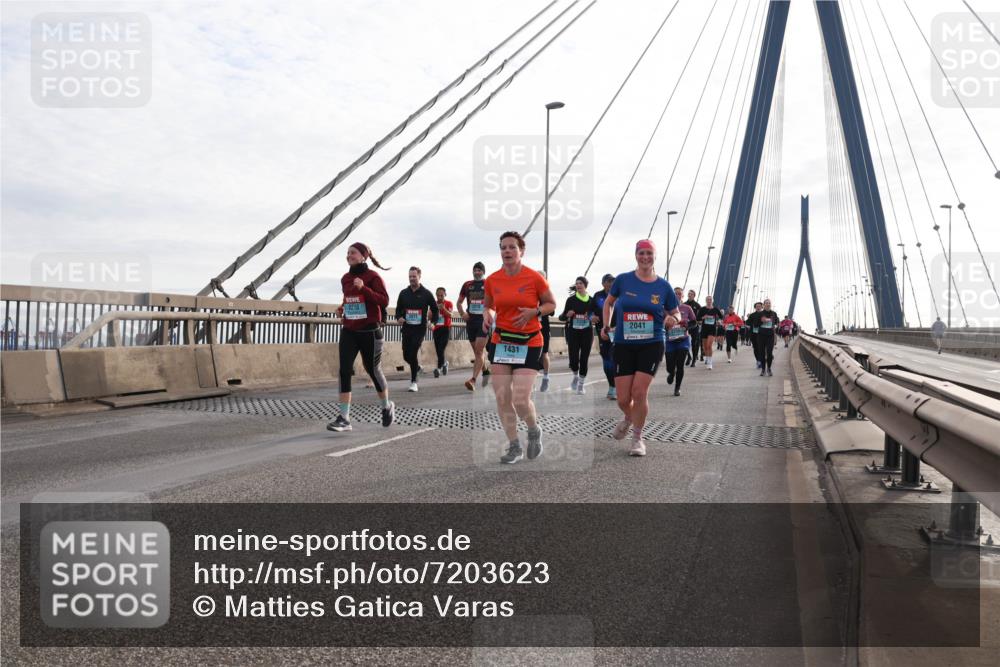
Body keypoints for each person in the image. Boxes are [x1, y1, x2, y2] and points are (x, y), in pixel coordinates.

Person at [601, 239, 680, 457]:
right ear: (636, 255)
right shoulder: (623, 280)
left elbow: (676, 311)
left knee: (639, 391)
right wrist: (606, 324)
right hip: (624, 344)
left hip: (652, 343)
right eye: (641, 253)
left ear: (655, 256)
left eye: (649, 253)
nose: (645, 257)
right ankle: (629, 416)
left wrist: (673, 318)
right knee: (623, 399)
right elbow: (609, 302)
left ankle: (637, 438)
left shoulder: (663, 286)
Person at [483, 231, 556, 464]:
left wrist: (534, 312)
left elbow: (551, 304)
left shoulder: (534, 278)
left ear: (521, 251)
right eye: (503, 247)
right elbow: (489, 306)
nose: (507, 251)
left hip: (529, 341)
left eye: (512, 247)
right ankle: (514, 445)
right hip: (502, 341)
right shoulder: (493, 280)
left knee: (520, 399)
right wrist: (487, 314)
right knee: (502, 397)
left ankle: (533, 430)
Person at [327, 242, 394, 432]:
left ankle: (386, 407)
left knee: (373, 371)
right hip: (349, 330)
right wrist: (342, 309)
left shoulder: (373, 277)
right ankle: (344, 418)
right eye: (347, 253)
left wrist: (364, 288)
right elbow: (349, 299)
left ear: (363, 256)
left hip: (370, 332)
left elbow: (384, 300)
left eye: (353, 253)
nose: (349, 256)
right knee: (344, 370)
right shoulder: (345, 278)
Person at [395, 267, 438, 393]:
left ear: (419, 276)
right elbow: (398, 309)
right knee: (406, 355)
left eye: (414, 276)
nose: (412, 279)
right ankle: (417, 366)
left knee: (413, 352)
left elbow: (435, 310)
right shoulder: (403, 293)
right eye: (410, 277)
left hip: (420, 329)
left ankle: (414, 382)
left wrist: (433, 323)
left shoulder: (426, 293)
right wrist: (399, 317)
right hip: (407, 328)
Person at [558, 276, 598, 395]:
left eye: (580, 283)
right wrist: (567, 315)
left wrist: (592, 317)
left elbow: (595, 317)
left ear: (585, 285)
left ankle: (581, 385)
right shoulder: (571, 300)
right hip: (573, 332)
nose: (578, 285)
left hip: (587, 332)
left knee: (584, 359)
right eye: (577, 283)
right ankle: (575, 375)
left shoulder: (591, 301)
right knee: (574, 359)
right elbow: (562, 317)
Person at [457, 262, 489, 391]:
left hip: (483, 321)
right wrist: (462, 313)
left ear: (483, 272)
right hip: (470, 321)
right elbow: (459, 302)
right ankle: (485, 369)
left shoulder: (488, 284)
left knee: (479, 351)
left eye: (479, 270)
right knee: (477, 352)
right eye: (475, 270)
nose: (477, 272)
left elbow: (496, 301)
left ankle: (473, 380)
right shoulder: (467, 285)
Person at [592, 273, 617, 400]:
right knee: (606, 360)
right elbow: (590, 310)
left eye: (613, 281)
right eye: (608, 281)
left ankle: (617, 386)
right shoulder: (597, 296)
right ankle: (612, 385)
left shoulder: (620, 295)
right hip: (603, 333)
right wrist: (592, 317)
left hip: (618, 332)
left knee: (615, 358)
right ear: (603, 283)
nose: (611, 283)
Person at [666, 294, 696, 396]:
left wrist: (687, 327)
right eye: (675, 293)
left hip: (683, 339)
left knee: (680, 365)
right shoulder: (665, 308)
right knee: (670, 366)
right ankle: (671, 372)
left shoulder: (687, 308)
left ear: (682, 296)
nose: (677, 295)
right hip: (670, 340)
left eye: (679, 293)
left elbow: (694, 322)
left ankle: (677, 388)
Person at [697, 295, 724, 370]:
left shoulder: (715, 309)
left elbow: (721, 317)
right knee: (705, 347)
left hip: (712, 329)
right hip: (704, 329)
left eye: (710, 299)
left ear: (712, 301)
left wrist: (718, 321)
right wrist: (703, 318)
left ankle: (710, 362)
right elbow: (697, 318)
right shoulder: (702, 309)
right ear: (706, 300)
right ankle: (707, 357)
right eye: (708, 299)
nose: (709, 301)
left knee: (709, 345)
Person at [755, 298, 779, 376]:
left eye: (769, 303)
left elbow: (777, 322)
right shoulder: (760, 314)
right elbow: (755, 325)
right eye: (766, 303)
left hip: (770, 336)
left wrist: (775, 326)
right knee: (762, 353)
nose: (768, 304)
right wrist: (761, 321)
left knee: (769, 353)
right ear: (764, 305)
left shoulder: (774, 314)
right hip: (761, 335)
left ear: (770, 304)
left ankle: (769, 368)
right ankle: (763, 369)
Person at [432, 287, 453, 377]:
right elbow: (430, 316)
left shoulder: (448, 303)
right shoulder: (434, 304)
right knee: (438, 350)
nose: (440, 297)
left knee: (441, 349)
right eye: (438, 295)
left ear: (445, 295)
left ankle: (439, 368)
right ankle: (445, 364)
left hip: (445, 329)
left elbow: (451, 315)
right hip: (436, 329)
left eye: (441, 295)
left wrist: (443, 308)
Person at [538, 270, 553, 392]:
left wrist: (539, 309)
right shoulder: (530, 291)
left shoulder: (547, 293)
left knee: (544, 354)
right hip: (530, 327)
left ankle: (546, 377)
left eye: (541, 277)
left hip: (544, 327)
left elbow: (552, 311)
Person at [684, 289, 703, 366]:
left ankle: (694, 359)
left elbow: (701, 316)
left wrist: (700, 320)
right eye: (688, 294)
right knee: (684, 343)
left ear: (694, 295)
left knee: (694, 343)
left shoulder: (697, 305)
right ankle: (689, 357)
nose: (689, 295)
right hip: (685, 326)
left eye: (691, 294)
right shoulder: (684, 304)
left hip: (694, 326)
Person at [746, 302, 764, 368]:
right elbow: (747, 322)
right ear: (755, 307)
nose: (758, 307)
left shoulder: (764, 314)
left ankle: (761, 360)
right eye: (757, 306)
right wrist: (751, 324)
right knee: (756, 348)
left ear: (762, 307)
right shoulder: (752, 315)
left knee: (761, 348)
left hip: (762, 334)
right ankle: (758, 361)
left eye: (759, 306)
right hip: (753, 334)